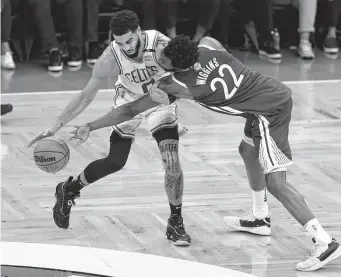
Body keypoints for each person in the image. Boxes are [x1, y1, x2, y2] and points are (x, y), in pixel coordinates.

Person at [70, 35, 341, 272]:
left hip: (269, 113)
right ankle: (260, 217)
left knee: (276, 183)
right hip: (263, 96)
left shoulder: (173, 86)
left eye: (163, 61)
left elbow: (129, 110)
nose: (158, 62)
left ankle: (324, 242)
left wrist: (90, 125)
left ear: (179, 65)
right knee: (247, 151)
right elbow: (222, 59)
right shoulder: (207, 45)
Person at [28, 10, 191, 246]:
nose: (125, 47)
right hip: (127, 100)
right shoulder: (110, 58)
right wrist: (55, 126)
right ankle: (69, 189)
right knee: (116, 161)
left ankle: (175, 221)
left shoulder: (160, 45)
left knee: (171, 160)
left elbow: (186, 75)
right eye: (119, 42)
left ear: (139, 32)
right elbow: (85, 96)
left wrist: (174, 101)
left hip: (158, 101)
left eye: (130, 40)